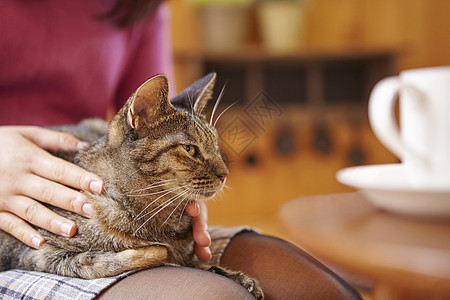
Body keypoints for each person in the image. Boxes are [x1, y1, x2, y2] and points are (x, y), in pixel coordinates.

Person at [0, 1, 362, 299]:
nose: (224, 171)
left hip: (128, 179)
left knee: (322, 292)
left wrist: (179, 188)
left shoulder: (139, 5)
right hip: (21, 206)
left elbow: (163, 112)